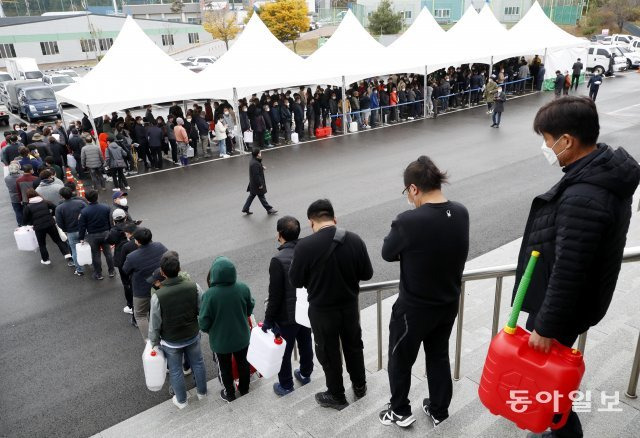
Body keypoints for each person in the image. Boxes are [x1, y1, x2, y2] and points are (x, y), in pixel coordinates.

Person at [521, 97, 640, 438]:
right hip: (578, 305)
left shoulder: (583, 196)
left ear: (567, 141)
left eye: (547, 139)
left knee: (552, 381)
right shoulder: (602, 173)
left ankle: (562, 430)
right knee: (552, 378)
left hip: (561, 312)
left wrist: (544, 326)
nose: (546, 147)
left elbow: (569, 270)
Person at [378, 156, 469, 428]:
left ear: (414, 188)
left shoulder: (409, 221)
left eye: (408, 192)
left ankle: (400, 411)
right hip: (448, 303)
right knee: (438, 356)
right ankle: (439, 410)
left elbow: (387, 252)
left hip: (413, 310)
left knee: (400, 359)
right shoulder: (461, 212)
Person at [289, 199, 373, 411]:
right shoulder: (354, 240)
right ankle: (360, 385)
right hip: (349, 307)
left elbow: (296, 281)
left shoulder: (305, 247)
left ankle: (336, 394)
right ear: (334, 218)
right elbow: (367, 273)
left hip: (322, 310)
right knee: (354, 345)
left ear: (311, 222)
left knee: (328, 351)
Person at [149, 251, 208, 409]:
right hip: (192, 334)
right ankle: (202, 393)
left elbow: (155, 323)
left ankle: (181, 401)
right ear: (179, 268)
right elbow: (202, 309)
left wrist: (154, 342)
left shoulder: (158, 296)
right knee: (198, 363)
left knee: (175, 371)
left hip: (171, 340)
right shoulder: (193, 287)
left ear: (162, 272)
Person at [263, 216, 314, 396]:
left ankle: (286, 385)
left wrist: (268, 320)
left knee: (284, 352)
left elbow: (275, 295)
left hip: (286, 316)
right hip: (305, 311)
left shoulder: (277, 260)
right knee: (306, 342)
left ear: (279, 234)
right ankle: (306, 373)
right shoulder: (307, 251)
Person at [199, 256, 255, 402]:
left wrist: (210, 330)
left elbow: (204, 322)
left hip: (220, 341)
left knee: (224, 368)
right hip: (242, 337)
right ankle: (244, 389)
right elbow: (249, 309)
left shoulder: (209, 295)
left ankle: (229, 393)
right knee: (243, 363)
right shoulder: (243, 288)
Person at [122, 227, 168, 341]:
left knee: (140, 315)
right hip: (161, 284)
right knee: (161, 311)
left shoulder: (132, 256)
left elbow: (125, 270)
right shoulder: (160, 246)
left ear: (137, 241)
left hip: (142, 290)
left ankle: (150, 342)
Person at [22, 188, 72, 265]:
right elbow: (55, 208)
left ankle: (46, 260)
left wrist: (31, 222)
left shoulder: (28, 207)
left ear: (28, 196)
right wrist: (51, 215)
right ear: (36, 194)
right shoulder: (45, 202)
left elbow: (24, 220)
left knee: (42, 244)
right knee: (58, 240)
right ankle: (67, 255)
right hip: (50, 224)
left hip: (39, 228)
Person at [78, 189, 114, 280]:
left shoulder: (84, 211)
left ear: (86, 199)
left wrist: (81, 238)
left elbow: (82, 226)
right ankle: (111, 271)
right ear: (97, 197)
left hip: (92, 236)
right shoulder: (106, 207)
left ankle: (99, 273)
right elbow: (110, 221)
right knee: (108, 253)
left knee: (96, 255)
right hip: (106, 233)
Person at [109, 221, 139, 326]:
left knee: (130, 288)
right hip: (147, 274)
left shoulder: (127, 245)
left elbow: (124, 266)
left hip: (134, 276)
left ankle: (132, 310)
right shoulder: (148, 241)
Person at [56, 186, 88, 275]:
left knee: (74, 250)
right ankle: (89, 261)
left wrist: (65, 229)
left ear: (61, 196)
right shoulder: (81, 203)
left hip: (71, 232)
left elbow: (59, 222)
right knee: (87, 246)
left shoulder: (59, 208)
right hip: (84, 229)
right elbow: (87, 214)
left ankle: (79, 270)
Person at [242, 148, 278, 216]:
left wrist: (261, 167)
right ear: (257, 154)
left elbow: (257, 169)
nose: (261, 153)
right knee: (261, 196)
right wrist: (260, 184)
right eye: (260, 152)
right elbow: (256, 175)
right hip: (256, 184)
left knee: (252, 196)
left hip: (253, 184)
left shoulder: (254, 160)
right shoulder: (255, 163)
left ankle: (245, 208)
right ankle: (269, 209)